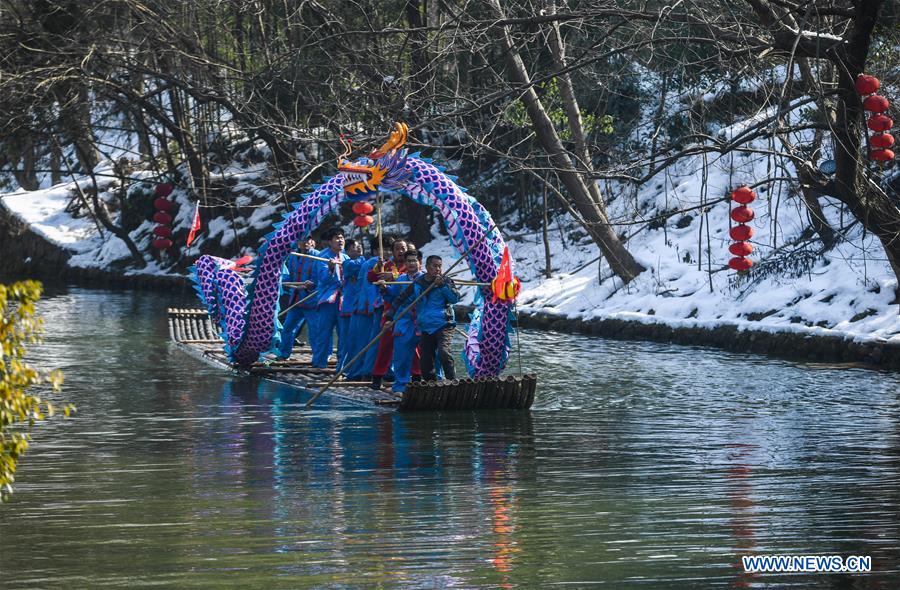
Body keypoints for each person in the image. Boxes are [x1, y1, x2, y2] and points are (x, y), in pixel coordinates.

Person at [380, 250, 425, 393]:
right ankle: (401, 384)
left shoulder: (427, 278)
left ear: (420, 262)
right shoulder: (400, 279)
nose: (411, 263)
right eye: (409, 261)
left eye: (414, 260)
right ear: (405, 264)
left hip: (423, 320)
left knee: (429, 354)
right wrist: (384, 289)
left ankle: (434, 382)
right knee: (401, 355)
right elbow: (392, 298)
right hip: (403, 321)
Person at [368, 237, 408, 389]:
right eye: (397, 248)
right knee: (385, 344)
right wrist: (378, 268)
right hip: (390, 310)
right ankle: (377, 376)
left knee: (412, 346)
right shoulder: (387, 265)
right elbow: (371, 278)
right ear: (392, 251)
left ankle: (415, 376)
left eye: (403, 248)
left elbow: (413, 279)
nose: (401, 251)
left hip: (409, 312)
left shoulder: (410, 265)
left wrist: (395, 277)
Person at [414, 255, 461, 381]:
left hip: (444, 324)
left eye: (439, 266)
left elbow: (455, 299)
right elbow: (403, 298)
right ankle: (431, 385)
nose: (438, 269)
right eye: (435, 266)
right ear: (427, 267)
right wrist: (391, 315)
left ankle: (452, 380)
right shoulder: (418, 283)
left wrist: (442, 286)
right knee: (425, 360)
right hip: (426, 326)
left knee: (444, 352)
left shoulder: (446, 281)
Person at [309, 227, 349, 368]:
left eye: (342, 238)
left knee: (344, 333)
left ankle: (342, 363)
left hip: (344, 300)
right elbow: (323, 279)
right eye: (337, 238)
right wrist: (331, 269)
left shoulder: (346, 257)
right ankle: (319, 362)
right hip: (328, 300)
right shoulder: (322, 257)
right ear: (330, 242)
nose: (340, 240)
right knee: (324, 332)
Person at [345, 236, 383, 380]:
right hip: (368, 307)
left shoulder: (382, 263)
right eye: (383, 249)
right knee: (365, 341)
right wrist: (376, 305)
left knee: (363, 341)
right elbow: (369, 288)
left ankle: (362, 371)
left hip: (368, 306)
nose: (386, 252)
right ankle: (360, 372)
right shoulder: (371, 263)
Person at [277, 236, 318, 359]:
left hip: (311, 300)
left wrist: (311, 285)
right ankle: (284, 354)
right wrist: (281, 281)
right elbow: (289, 276)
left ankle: (318, 357)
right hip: (296, 300)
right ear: (298, 242)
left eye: (308, 240)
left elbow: (320, 278)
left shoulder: (318, 257)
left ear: (313, 242)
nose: (306, 243)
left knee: (314, 331)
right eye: (303, 240)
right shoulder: (293, 256)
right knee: (288, 328)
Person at [337, 238, 364, 371]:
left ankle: (353, 366)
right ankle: (341, 367)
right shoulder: (347, 263)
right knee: (345, 339)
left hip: (360, 305)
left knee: (357, 339)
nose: (358, 248)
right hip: (348, 305)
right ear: (347, 251)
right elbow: (356, 266)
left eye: (359, 246)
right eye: (354, 247)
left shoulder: (364, 262)